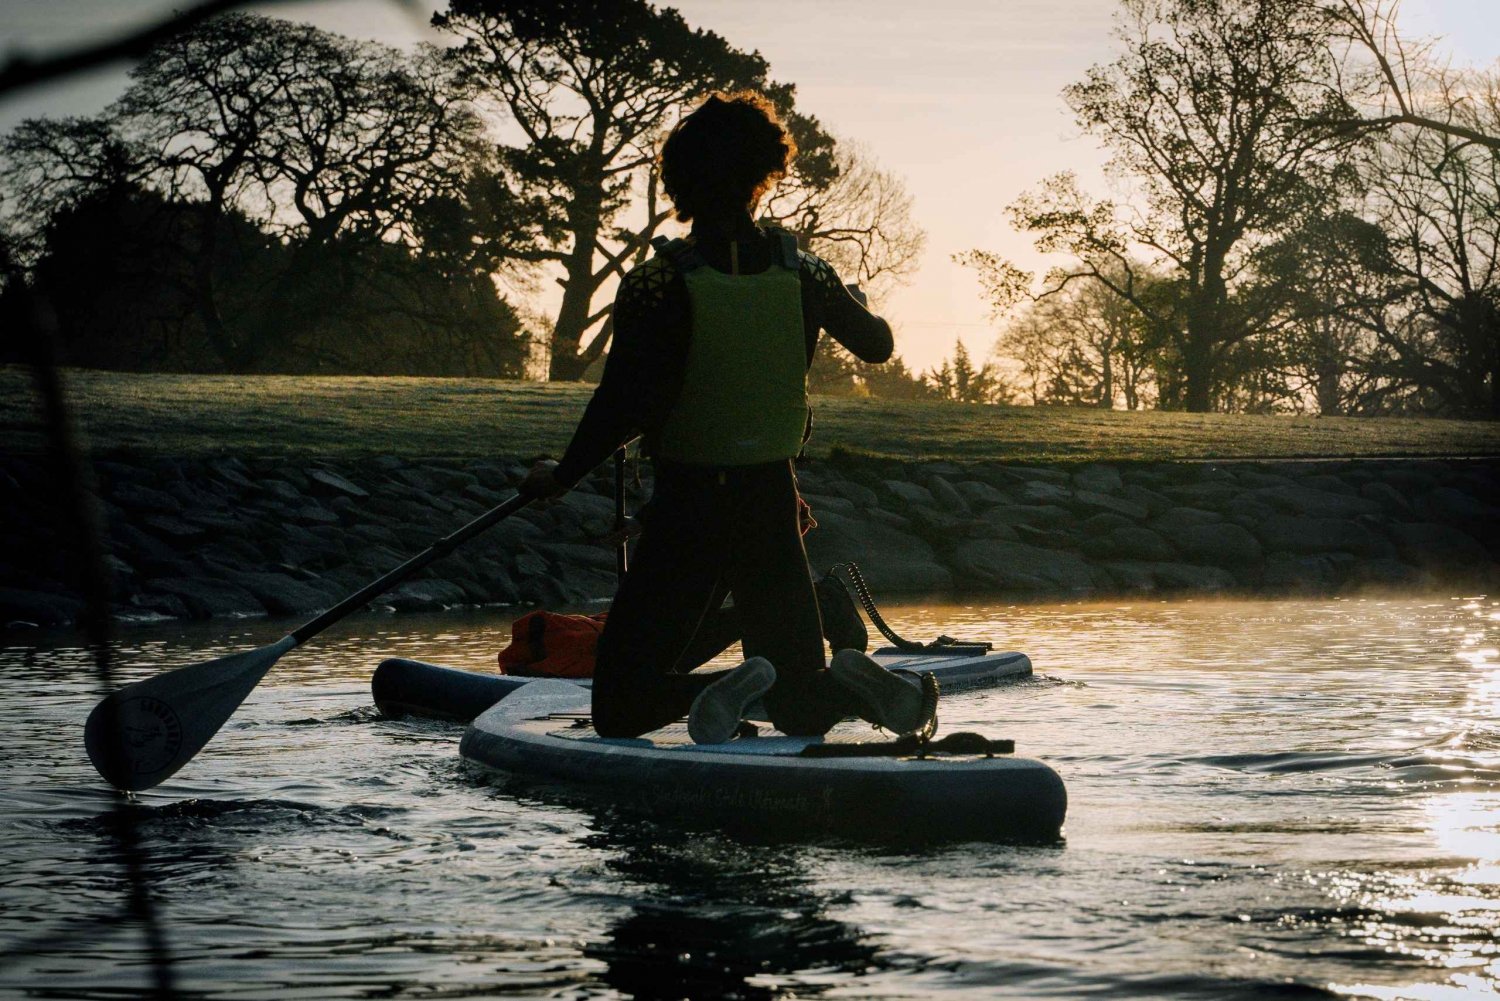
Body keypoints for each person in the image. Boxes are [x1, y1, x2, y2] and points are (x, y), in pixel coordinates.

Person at [519, 91, 935, 744]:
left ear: (682, 181)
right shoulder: (807, 274)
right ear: (761, 176)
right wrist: (849, 295)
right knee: (802, 706)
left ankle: (714, 694)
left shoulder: (659, 284)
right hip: (771, 507)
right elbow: (878, 344)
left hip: (689, 511)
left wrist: (561, 476)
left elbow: (619, 406)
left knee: (620, 703)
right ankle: (854, 686)